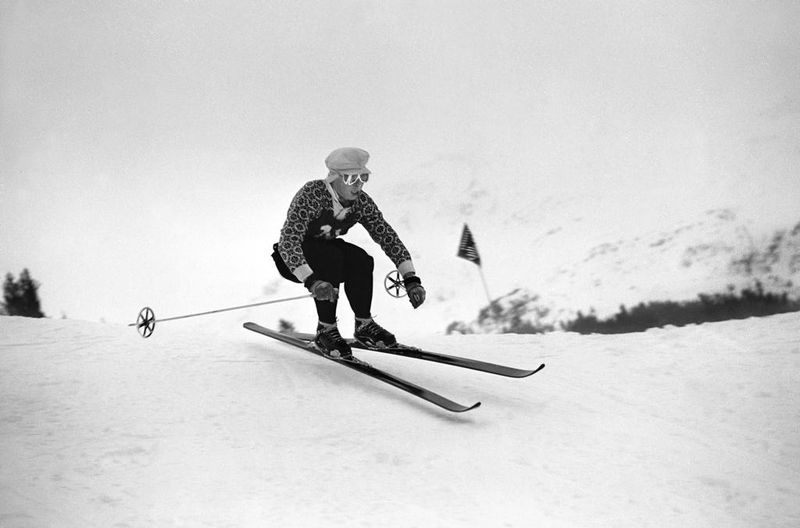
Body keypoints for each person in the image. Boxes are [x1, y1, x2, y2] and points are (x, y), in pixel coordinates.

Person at [272, 147, 426, 359]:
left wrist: (410, 278)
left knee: (361, 259)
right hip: (292, 259)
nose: (359, 185)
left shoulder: (361, 203)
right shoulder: (312, 194)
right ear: (334, 178)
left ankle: (364, 325)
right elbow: (288, 241)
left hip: (326, 257)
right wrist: (311, 281)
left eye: (363, 178)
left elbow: (386, 235)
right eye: (352, 179)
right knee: (331, 257)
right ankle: (325, 329)